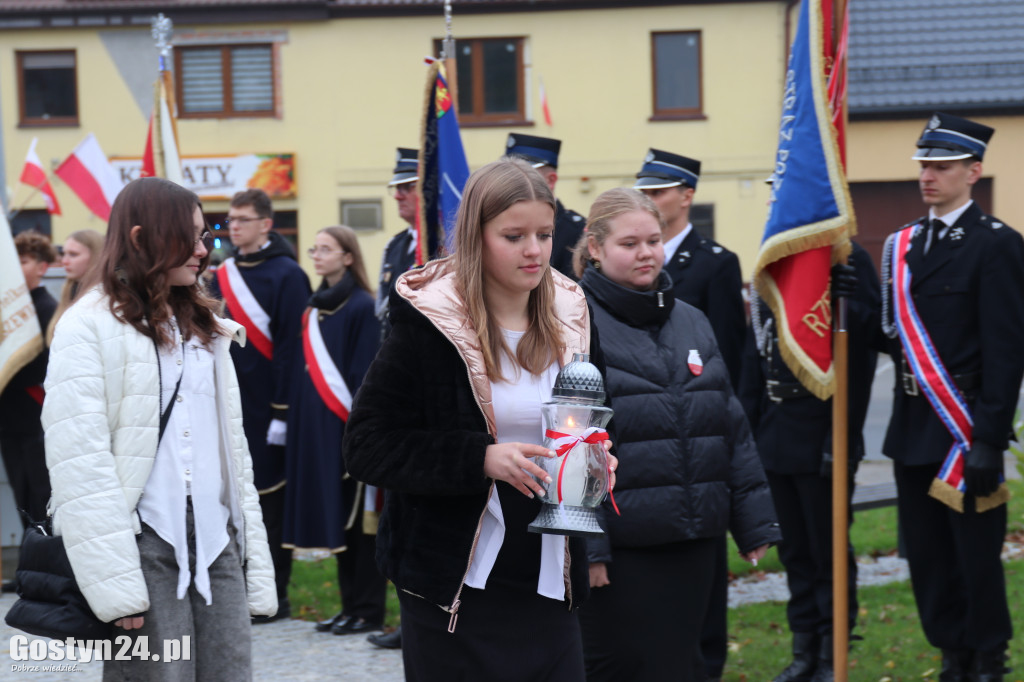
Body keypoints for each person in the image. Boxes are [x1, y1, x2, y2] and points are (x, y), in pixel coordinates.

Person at [343, 158, 616, 681]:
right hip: (455, 577)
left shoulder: (573, 311)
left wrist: (600, 456)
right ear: (476, 235)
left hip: (548, 573)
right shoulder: (430, 320)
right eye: (513, 236)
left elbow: (596, 416)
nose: (534, 250)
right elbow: (367, 445)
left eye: (544, 233)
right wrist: (481, 458)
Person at [41, 177, 277, 680]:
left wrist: (246, 544)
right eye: (188, 236)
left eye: (205, 234)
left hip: (215, 538)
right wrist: (116, 583)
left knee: (229, 673)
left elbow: (233, 450)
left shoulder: (206, 325)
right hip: (143, 542)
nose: (202, 249)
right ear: (142, 236)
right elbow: (79, 461)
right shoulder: (87, 326)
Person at [572, 188, 779, 682]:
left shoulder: (691, 319)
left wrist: (753, 523)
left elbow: (728, 424)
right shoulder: (574, 324)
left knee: (695, 666)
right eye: (629, 243)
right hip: (627, 549)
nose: (646, 253)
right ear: (595, 248)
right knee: (628, 667)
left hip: (696, 537)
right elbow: (573, 442)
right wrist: (590, 547)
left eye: (654, 240)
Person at [877, 113, 1024, 681]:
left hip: (964, 432)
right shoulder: (901, 246)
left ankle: (988, 655)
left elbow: (1007, 351)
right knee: (929, 558)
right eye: (924, 166)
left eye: (941, 166)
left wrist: (989, 437)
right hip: (914, 426)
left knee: (974, 556)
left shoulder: (997, 245)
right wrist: (854, 302)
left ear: (974, 171)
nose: (928, 176)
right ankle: (951, 652)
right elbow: (893, 339)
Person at [739, 242, 880, 682]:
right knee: (796, 553)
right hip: (776, 434)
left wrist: (849, 302)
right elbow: (756, 358)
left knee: (828, 552)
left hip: (825, 430)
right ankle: (804, 648)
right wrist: (749, 437)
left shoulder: (844, 255)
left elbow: (868, 345)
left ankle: (831, 651)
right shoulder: (775, 260)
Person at [633, 148, 748, 680]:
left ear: (686, 195)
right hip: (648, 437)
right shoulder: (627, 262)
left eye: (658, 192)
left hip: (700, 434)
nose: (650, 202)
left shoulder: (716, 262)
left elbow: (728, 356)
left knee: (703, 591)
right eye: (645, 192)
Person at [207, 188, 311, 622]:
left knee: (268, 502)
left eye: (243, 219)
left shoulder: (288, 275)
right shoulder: (221, 273)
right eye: (230, 219)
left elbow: (292, 348)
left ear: (266, 224)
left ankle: (276, 594)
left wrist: (282, 412)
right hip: (228, 400)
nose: (233, 226)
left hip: (269, 407)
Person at [282, 226, 387, 636]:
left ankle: (368, 610)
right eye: (314, 248)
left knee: (360, 526)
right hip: (316, 431)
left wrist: (356, 430)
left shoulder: (362, 306)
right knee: (339, 524)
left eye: (326, 249)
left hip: (347, 429)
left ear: (348, 257)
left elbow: (363, 377)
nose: (317, 255)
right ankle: (349, 607)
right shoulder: (312, 310)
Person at [0, 231, 57, 528]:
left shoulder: (49, 309)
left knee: (41, 499)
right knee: (21, 498)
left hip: (36, 418)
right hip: (9, 418)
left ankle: (42, 566)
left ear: (42, 266)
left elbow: (43, 369)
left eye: (22, 261)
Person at [503, 133, 586, 280]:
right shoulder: (501, 221)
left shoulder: (576, 231)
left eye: (522, 176)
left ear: (551, 180)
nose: (511, 183)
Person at [376, 148, 421, 339]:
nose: (397, 196)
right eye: (396, 188)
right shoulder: (393, 245)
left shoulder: (447, 243)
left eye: (407, 187)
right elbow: (381, 312)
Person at [48, 228, 103, 342]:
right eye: (63, 254)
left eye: (73, 254)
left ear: (96, 257)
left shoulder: (104, 298)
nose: (64, 261)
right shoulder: (69, 291)